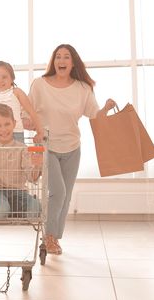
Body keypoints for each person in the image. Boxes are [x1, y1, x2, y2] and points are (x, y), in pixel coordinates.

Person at [28, 43, 116, 254]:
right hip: (46, 145)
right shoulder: (39, 85)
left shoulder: (83, 89)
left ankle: (54, 237)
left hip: (72, 147)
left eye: (66, 57)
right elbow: (28, 112)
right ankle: (48, 237)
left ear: (73, 62)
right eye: (58, 56)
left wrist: (106, 108)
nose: (61, 60)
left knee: (66, 196)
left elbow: (95, 116)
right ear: (53, 62)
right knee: (57, 192)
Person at [0, 103, 42, 218]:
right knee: (0, 210)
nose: (4, 129)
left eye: (7, 124)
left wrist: (37, 166)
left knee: (35, 211)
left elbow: (31, 178)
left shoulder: (23, 149)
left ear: (14, 124)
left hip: (19, 191)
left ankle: (9, 209)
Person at [0, 60, 44, 143]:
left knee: (17, 155)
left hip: (15, 133)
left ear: (12, 78)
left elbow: (31, 112)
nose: (0, 80)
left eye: (4, 77)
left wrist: (40, 132)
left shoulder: (16, 92)